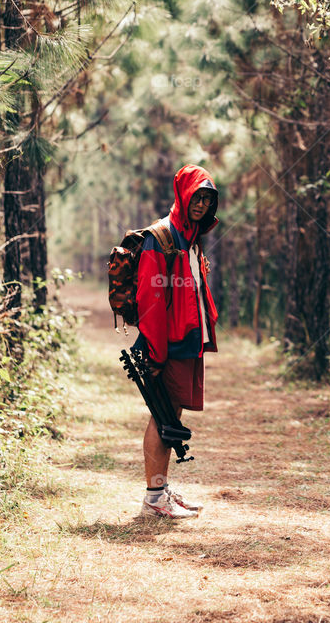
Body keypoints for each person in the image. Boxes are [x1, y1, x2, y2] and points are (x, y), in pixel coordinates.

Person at [132, 164, 220, 518]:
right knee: (161, 415)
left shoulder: (190, 237)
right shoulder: (162, 236)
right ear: (182, 194)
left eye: (207, 199)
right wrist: (154, 351)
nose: (200, 205)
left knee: (172, 415)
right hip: (164, 344)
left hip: (186, 341)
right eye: (196, 197)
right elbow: (149, 299)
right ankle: (154, 497)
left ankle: (161, 489)